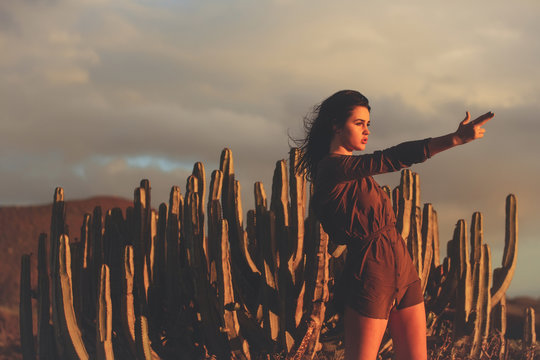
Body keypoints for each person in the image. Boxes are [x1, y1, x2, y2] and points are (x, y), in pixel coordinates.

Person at [293, 90, 494, 360]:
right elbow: (391, 158)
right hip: (371, 272)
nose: (366, 131)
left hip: (403, 266)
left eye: (368, 124)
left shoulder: (352, 169)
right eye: (358, 123)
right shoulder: (331, 168)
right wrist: (454, 139)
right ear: (336, 125)